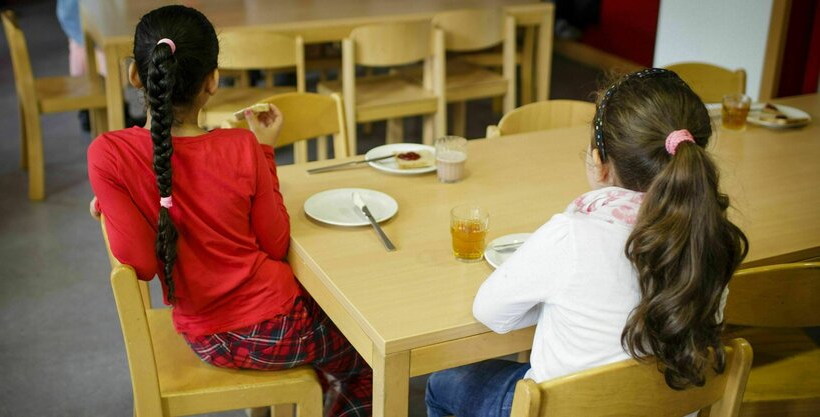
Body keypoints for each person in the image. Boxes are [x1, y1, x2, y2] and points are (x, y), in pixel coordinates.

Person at [86, 6, 371, 417]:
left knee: (334, 334)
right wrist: (265, 150)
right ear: (213, 81)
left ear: (135, 74)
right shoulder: (241, 148)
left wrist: (118, 208)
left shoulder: (107, 154)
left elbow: (142, 262)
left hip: (204, 334)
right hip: (273, 327)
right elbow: (275, 245)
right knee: (365, 357)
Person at [425, 68, 749, 417]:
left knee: (442, 383)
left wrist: (551, 302)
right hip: (665, 406)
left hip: (566, 408)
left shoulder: (573, 235)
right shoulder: (712, 234)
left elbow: (489, 313)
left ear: (599, 160)